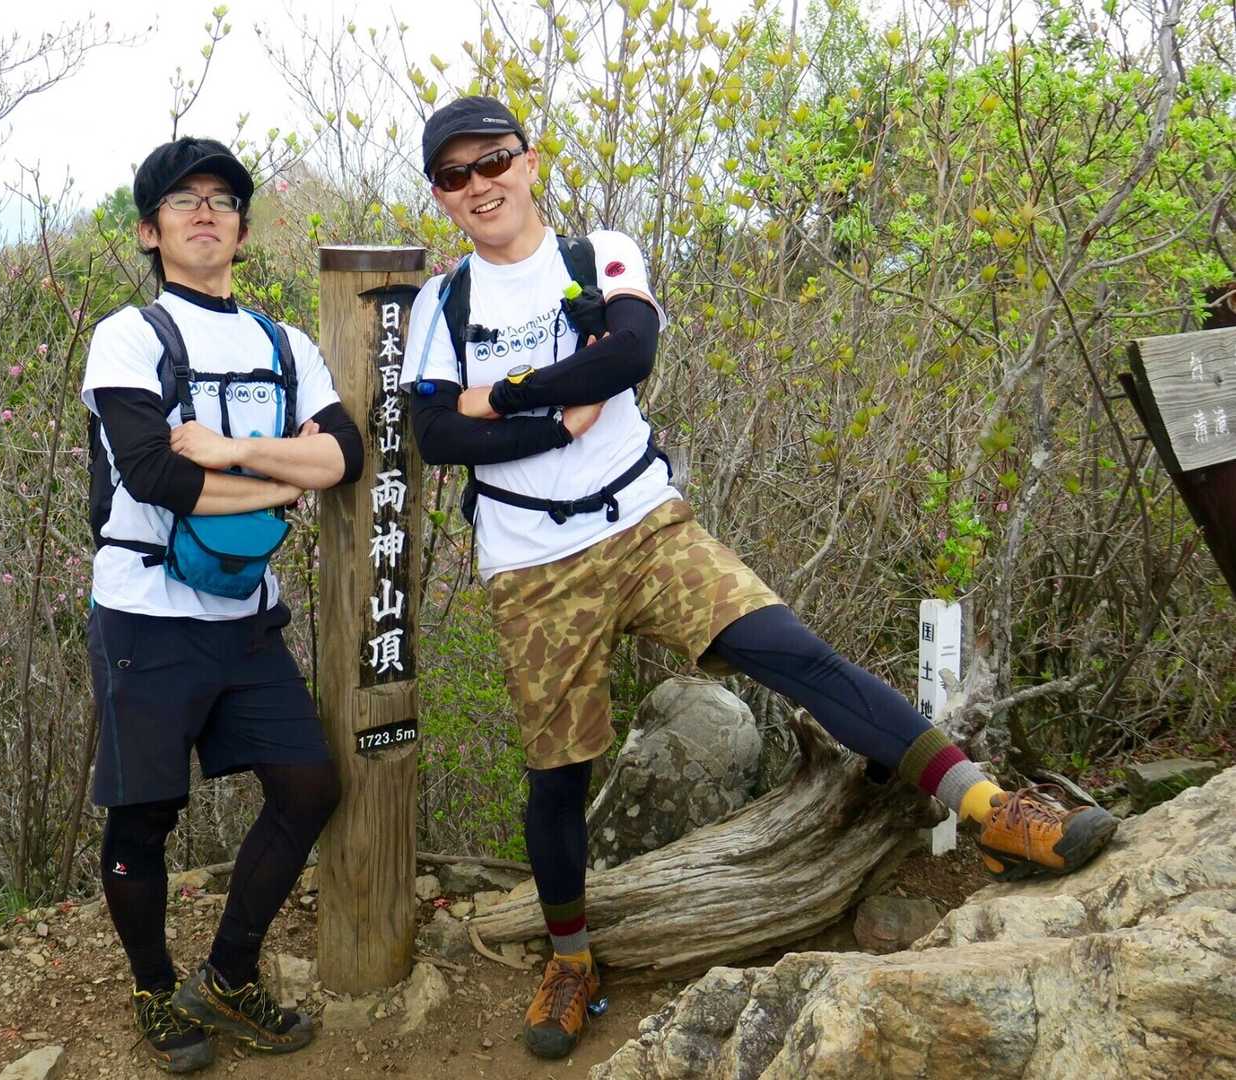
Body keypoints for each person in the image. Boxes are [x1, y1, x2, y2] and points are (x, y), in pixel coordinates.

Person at [401, 96, 1119, 1061]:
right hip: (530, 562)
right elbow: (436, 433)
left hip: (645, 524)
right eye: (456, 175)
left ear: (529, 162)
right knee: (558, 771)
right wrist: (558, 413)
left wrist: (506, 395)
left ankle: (990, 811)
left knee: (792, 652)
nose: (480, 185)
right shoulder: (443, 304)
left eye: (493, 161)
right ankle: (571, 960)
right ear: (442, 196)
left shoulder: (596, 254)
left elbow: (631, 353)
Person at [81, 136, 362, 1073]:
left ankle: (229, 975)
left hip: (246, 616)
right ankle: (155, 991)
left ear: (241, 229)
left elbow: (345, 457)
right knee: (144, 815)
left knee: (308, 786)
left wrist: (232, 453)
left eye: (222, 200)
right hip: (145, 611)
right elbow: (156, 475)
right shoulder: (130, 336)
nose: (205, 212)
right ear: (149, 231)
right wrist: (285, 480)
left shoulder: (286, 346)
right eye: (182, 199)